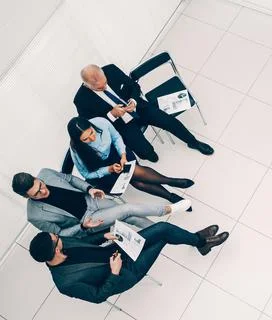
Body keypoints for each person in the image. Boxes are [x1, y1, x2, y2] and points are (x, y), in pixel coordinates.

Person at [28, 222, 229, 303]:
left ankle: (199, 241)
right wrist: (115, 272)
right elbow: (98, 297)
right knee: (162, 238)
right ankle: (200, 242)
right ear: (56, 249)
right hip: (125, 272)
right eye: (55, 237)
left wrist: (103, 236)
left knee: (162, 228)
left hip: (117, 251)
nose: (57, 234)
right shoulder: (65, 283)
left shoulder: (64, 243)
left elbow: (84, 242)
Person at [73, 64, 213, 162]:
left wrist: (134, 100)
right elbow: (92, 125)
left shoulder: (110, 70)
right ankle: (150, 153)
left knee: (169, 121)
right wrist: (111, 114)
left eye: (105, 83)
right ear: (87, 84)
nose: (104, 87)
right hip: (121, 124)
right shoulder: (81, 100)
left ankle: (193, 142)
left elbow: (133, 85)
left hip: (138, 107)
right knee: (145, 152)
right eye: (100, 88)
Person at [11, 168, 191, 237]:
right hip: (88, 220)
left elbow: (70, 179)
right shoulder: (34, 215)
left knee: (131, 217)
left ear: (37, 178)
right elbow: (60, 234)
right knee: (127, 209)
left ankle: (163, 234)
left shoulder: (46, 173)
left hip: (90, 199)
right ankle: (167, 209)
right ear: (28, 198)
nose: (43, 191)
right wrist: (83, 227)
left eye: (40, 186)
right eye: (37, 194)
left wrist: (89, 189)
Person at [67, 116, 193, 207]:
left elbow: (116, 137)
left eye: (92, 133)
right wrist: (108, 170)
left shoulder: (101, 122)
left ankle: (172, 187)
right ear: (78, 140)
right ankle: (171, 189)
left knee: (137, 177)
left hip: (117, 154)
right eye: (86, 139)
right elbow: (86, 175)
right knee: (138, 183)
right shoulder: (76, 150)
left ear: (91, 125)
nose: (92, 138)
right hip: (102, 170)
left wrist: (122, 155)